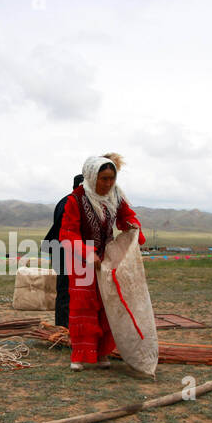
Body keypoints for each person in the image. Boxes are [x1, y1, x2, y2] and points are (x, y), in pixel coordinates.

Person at [59, 154, 145, 370]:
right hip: (81, 262)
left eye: (111, 179)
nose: (108, 184)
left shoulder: (116, 196)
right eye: (103, 178)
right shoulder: (76, 199)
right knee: (83, 307)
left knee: (107, 305)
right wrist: (87, 254)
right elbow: (68, 232)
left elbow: (126, 216)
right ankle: (80, 355)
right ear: (91, 176)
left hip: (106, 258)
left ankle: (101, 353)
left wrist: (132, 226)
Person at [43, 173, 84, 328]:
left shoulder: (64, 200)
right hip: (66, 252)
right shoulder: (72, 202)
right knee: (67, 292)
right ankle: (63, 330)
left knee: (68, 292)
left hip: (65, 251)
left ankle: (69, 327)